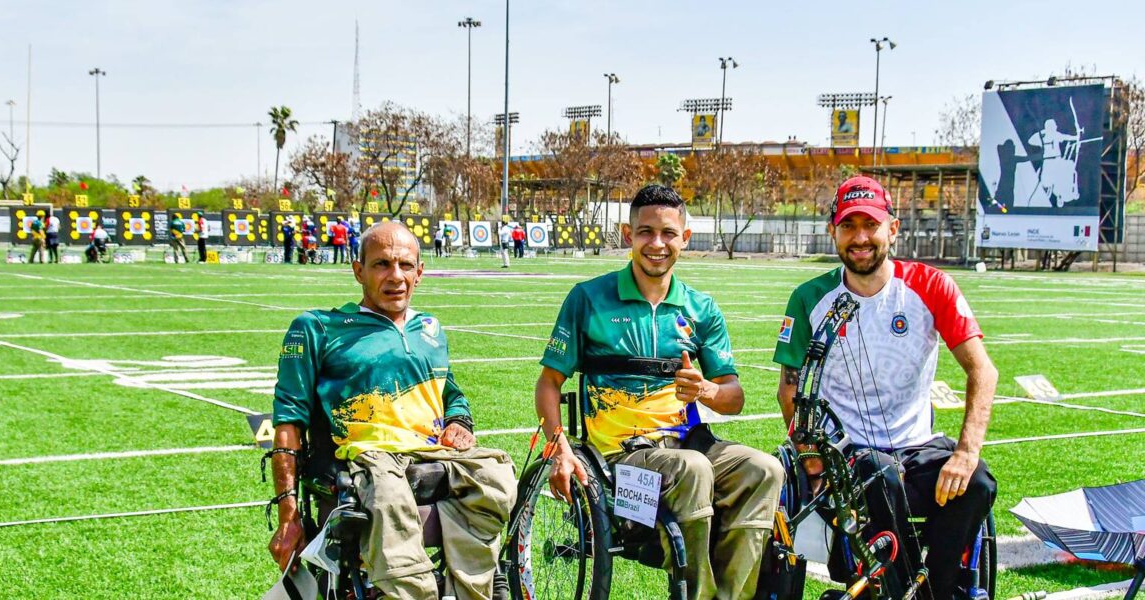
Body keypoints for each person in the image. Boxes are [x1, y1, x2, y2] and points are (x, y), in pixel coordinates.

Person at [537, 184, 783, 600]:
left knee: (766, 469)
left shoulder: (701, 308)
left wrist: (705, 389)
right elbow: (549, 382)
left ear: (684, 239)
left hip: (688, 444)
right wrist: (557, 446)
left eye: (668, 233)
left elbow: (733, 396)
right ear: (627, 234)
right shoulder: (589, 299)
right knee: (693, 469)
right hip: (618, 465)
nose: (657, 243)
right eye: (645, 231)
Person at [773, 175, 998, 600]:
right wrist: (813, 463)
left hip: (918, 445)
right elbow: (790, 391)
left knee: (980, 484)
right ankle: (915, 592)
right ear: (833, 232)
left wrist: (966, 455)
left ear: (892, 229)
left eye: (870, 225)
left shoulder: (932, 286)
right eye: (848, 226)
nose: (860, 237)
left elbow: (982, 372)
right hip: (850, 456)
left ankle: (936, 587)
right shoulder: (809, 298)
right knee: (880, 475)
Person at [268, 222, 516, 600]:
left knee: (498, 475)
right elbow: (288, 421)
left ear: (420, 272)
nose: (395, 276)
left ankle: (473, 587)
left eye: (405, 265)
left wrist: (459, 421)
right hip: (366, 458)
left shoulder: (430, 329)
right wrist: (289, 516)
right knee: (387, 496)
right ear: (358, 271)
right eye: (382, 264)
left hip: (432, 453)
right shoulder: (318, 328)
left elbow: (451, 391)